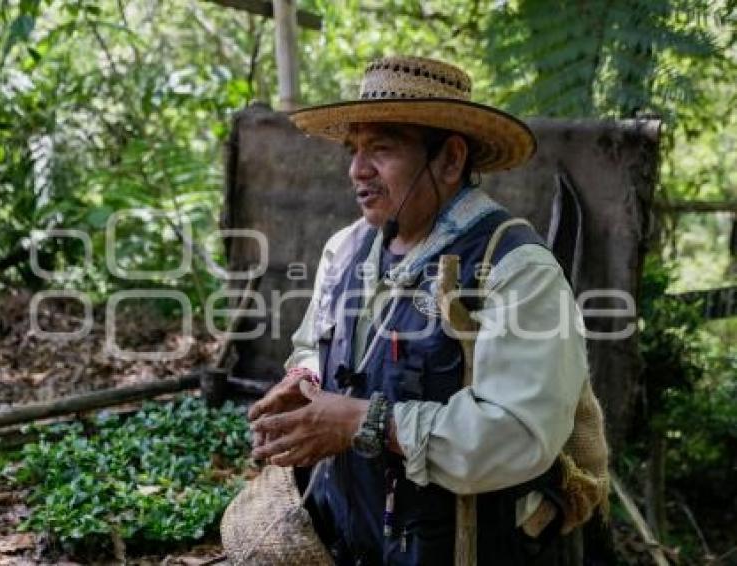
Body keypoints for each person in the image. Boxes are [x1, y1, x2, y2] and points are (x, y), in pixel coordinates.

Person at [248, 55, 590, 565]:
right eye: (354, 149)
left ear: (450, 160)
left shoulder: (516, 269)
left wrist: (363, 423)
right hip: (354, 536)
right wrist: (304, 384)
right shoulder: (345, 249)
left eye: (381, 149)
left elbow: (517, 434)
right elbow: (312, 344)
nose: (357, 170)